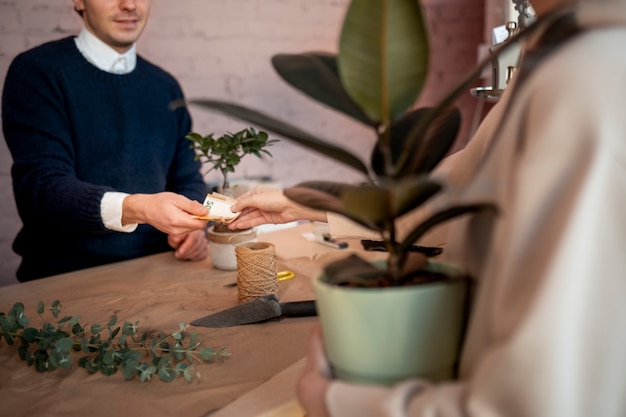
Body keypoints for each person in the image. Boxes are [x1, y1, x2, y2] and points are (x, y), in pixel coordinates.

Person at [229, 0, 626, 415]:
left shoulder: (592, 78)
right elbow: (453, 195)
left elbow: (537, 403)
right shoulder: (564, 57)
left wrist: (336, 402)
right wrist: (303, 203)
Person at [2, 0, 210, 282]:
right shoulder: (38, 72)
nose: (129, 5)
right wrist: (138, 209)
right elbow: (43, 188)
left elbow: (187, 177)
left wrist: (194, 228)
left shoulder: (165, 86)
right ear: (79, 1)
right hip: (65, 282)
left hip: (162, 272)